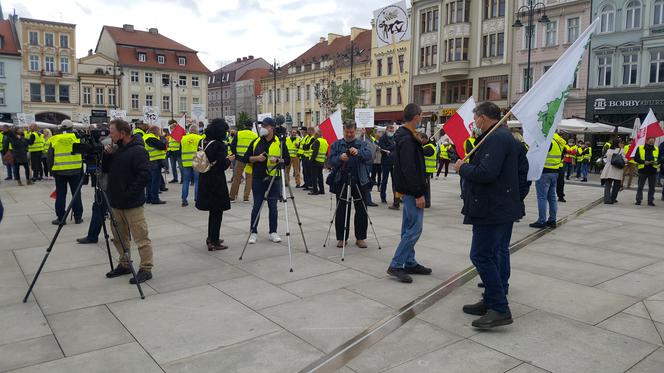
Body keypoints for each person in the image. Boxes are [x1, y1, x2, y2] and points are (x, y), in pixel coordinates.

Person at [453, 101, 528, 329]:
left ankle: (500, 308)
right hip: (500, 207)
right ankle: (490, 300)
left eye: (475, 118)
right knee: (493, 254)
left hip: (492, 208)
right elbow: (523, 172)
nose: (474, 123)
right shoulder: (504, 138)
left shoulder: (496, 138)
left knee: (481, 256)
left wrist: (462, 168)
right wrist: (514, 198)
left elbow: (486, 173)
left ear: (483, 118)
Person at [102, 119, 154, 284]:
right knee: (118, 237)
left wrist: (129, 194)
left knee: (141, 237)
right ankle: (124, 264)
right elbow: (105, 170)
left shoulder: (138, 151)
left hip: (132, 204)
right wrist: (107, 156)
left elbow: (144, 176)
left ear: (122, 133)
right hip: (116, 202)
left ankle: (146, 268)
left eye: (112, 131)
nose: (110, 135)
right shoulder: (117, 149)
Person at [387, 104, 432, 283]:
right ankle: (396, 264)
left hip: (407, 190)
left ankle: (409, 262)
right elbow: (409, 168)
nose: (421, 119)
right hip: (412, 191)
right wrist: (419, 193)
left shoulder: (406, 137)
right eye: (420, 116)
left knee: (408, 227)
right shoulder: (407, 139)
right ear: (416, 117)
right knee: (414, 229)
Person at [244, 117, 289, 244]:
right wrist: (257, 158)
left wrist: (278, 160)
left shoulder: (280, 142)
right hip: (258, 177)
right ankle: (253, 232)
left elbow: (287, 160)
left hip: (274, 178)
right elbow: (246, 158)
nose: (262, 128)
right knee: (257, 205)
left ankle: (273, 231)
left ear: (272, 128)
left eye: (265, 126)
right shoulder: (256, 141)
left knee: (273, 206)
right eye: (261, 126)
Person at [328, 121, 372, 249]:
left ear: (355, 131)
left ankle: (360, 238)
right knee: (341, 210)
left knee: (362, 210)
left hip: (360, 180)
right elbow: (330, 160)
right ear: (344, 131)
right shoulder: (337, 144)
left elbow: (369, 156)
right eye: (347, 132)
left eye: (351, 132)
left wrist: (358, 152)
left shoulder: (362, 143)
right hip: (342, 180)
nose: (349, 134)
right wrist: (340, 158)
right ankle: (342, 238)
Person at [196, 119, 233, 251]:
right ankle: (214, 241)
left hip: (204, 179)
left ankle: (211, 236)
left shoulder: (202, 141)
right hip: (216, 182)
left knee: (213, 211)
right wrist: (229, 160)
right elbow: (221, 165)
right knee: (217, 212)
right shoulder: (218, 145)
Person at [48, 120, 83, 225]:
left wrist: (51, 170)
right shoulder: (77, 138)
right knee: (76, 194)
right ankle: (78, 217)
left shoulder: (54, 139)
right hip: (76, 170)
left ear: (61, 128)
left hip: (59, 171)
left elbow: (50, 157)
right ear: (71, 128)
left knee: (61, 195)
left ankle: (61, 218)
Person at [530, 133, 563, 229]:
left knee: (542, 197)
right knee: (552, 197)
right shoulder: (559, 141)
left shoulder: (548, 141)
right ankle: (552, 220)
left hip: (545, 172)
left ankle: (541, 221)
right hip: (555, 172)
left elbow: (538, 154)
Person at [229, 121, 258, 202]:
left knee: (237, 178)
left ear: (244, 125)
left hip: (240, 158)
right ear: (251, 127)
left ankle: (232, 196)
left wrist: (236, 154)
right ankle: (246, 197)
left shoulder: (239, 133)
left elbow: (232, 145)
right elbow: (256, 147)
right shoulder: (255, 135)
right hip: (250, 159)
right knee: (249, 178)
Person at [180, 125, 204, 207]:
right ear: (197, 131)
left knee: (185, 181)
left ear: (189, 131)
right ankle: (197, 199)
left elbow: (180, 149)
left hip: (186, 162)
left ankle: (184, 200)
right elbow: (202, 150)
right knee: (197, 181)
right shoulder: (199, 138)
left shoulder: (183, 138)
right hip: (196, 161)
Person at [144, 126, 167, 205]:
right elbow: (162, 146)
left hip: (149, 161)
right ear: (155, 131)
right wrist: (162, 138)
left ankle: (148, 198)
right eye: (159, 131)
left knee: (149, 181)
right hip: (154, 162)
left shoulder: (146, 137)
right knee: (155, 181)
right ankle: (154, 198)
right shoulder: (151, 138)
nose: (160, 133)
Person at [634, 136, 659, 206]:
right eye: (652, 139)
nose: (653, 140)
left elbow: (659, 159)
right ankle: (638, 200)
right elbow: (636, 158)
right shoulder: (640, 148)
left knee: (652, 187)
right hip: (643, 170)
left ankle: (650, 201)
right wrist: (644, 162)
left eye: (654, 139)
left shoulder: (656, 149)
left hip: (653, 170)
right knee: (640, 186)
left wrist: (656, 162)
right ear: (647, 140)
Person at [600, 139, 626, 204]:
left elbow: (606, 159)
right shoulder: (621, 150)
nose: (621, 144)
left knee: (608, 185)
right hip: (617, 169)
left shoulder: (609, 150)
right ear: (617, 143)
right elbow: (624, 160)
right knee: (616, 185)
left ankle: (606, 199)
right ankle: (613, 199)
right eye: (620, 143)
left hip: (608, 168)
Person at [377, 124, 397, 205]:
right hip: (385, 162)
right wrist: (393, 146)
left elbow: (397, 148)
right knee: (384, 180)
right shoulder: (382, 138)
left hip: (394, 161)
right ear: (386, 130)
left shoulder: (395, 137)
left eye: (392, 130)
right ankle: (383, 197)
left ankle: (396, 197)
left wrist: (390, 148)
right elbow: (383, 149)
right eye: (390, 130)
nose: (391, 131)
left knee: (395, 181)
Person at [418, 133, 436, 208]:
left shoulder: (430, 147)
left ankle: (427, 202)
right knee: (424, 186)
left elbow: (424, 152)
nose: (419, 141)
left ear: (425, 138)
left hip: (427, 170)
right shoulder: (426, 146)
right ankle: (426, 201)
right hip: (424, 169)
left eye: (420, 139)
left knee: (426, 187)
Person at [308, 128, 328, 195]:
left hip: (315, 161)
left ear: (317, 134)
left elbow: (315, 152)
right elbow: (326, 152)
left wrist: (311, 160)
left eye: (315, 134)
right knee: (320, 176)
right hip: (321, 161)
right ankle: (322, 190)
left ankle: (315, 190)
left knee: (314, 177)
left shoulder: (317, 141)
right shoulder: (325, 141)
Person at [301, 127, 316, 191]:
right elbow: (304, 145)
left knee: (309, 172)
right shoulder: (308, 137)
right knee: (305, 172)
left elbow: (307, 146)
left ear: (311, 131)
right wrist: (305, 146)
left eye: (308, 131)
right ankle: (307, 184)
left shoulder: (313, 138)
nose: (307, 132)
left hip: (309, 157)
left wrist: (305, 146)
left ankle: (310, 185)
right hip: (305, 156)